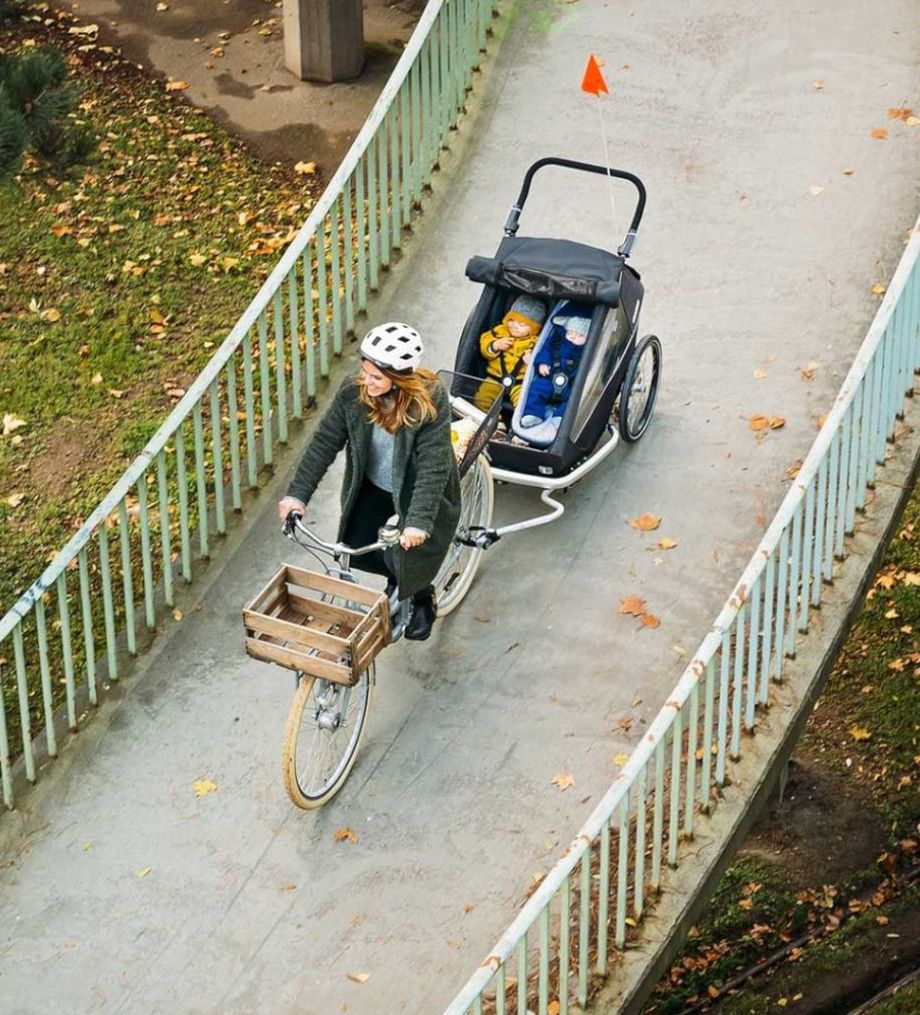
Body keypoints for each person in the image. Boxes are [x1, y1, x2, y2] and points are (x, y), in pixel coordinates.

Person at [277, 322, 460, 641]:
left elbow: (433, 465)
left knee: (408, 555)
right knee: (360, 547)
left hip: (415, 492)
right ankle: (398, 580)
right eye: (365, 372)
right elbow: (324, 441)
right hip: (372, 487)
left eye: (376, 377)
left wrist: (417, 522)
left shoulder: (429, 402)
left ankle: (421, 597)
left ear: (399, 378)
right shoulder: (354, 393)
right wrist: (297, 495)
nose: (367, 381)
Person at [474, 295, 547, 412]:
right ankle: (493, 421)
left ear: (534, 328)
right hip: (495, 378)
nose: (514, 326)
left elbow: (545, 358)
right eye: (512, 320)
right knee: (481, 398)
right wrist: (495, 345)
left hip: (520, 383)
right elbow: (484, 342)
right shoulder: (499, 332)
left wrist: (533, 361)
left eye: (522, 324)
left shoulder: (536, 342)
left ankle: (519, 422)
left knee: (525, 403)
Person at [519, 314, 591, 429]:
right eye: (570, 332)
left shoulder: (587, 352)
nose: (572, 337)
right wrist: (543, 363)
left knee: (574, 399)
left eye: (580, 335)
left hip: (570, 385)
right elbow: (545, 350)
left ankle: (560, 418)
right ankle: (533, 414)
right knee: (536, 387)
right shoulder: (556, 342)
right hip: (550, 379)